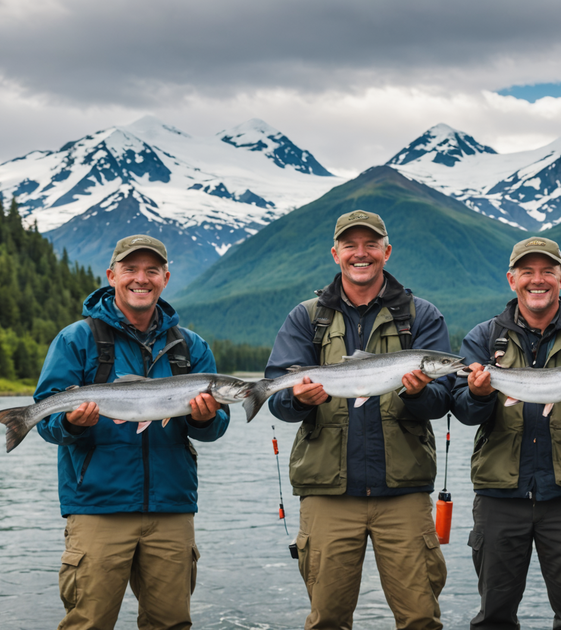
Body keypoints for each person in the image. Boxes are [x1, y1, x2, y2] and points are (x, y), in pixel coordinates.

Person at [265, 210, 451, 630]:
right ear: (336, 254)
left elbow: (443, 400)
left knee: (420, 618)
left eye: (371, 244)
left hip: (403, 491)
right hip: (327, 492)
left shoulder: (421, 316)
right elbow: (277, 398)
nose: (361, 254)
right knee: (328, 618)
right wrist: (299, 400)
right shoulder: (306, 317)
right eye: (351, 245)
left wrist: (419, 391)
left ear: (387, 251)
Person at [35, 234, 231, 630]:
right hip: (97, 508)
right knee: (88, 623)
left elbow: (214, 430)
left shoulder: (191, 347)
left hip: (172, 508)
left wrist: (205, 417)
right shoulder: (76, 339)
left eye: (152, 271)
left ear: (165, 278)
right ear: (112, 276)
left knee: (171, 623)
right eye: (130, 269)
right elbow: (46, 422)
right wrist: (71, 421)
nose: (141, 279)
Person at [453, 236, 561, 630]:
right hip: (499, 496)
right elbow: (462, 408)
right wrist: (479, 393)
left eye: (547, 271)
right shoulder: (484, 337)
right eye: (528, 272)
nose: (538, 280)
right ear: (511, 280)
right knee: (493, 617)